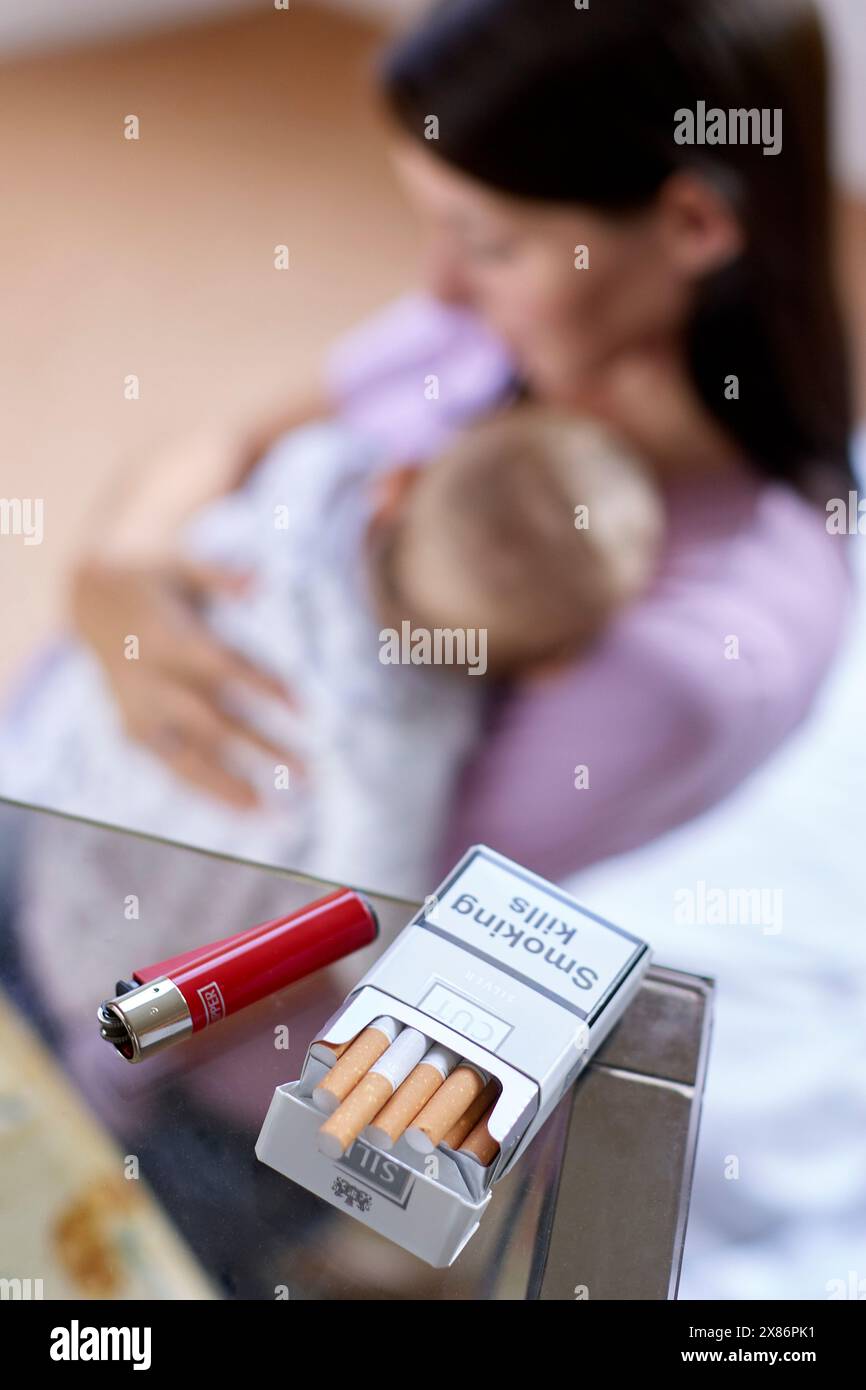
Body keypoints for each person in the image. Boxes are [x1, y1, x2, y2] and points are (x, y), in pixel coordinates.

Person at [67, 0, 855, 885]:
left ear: (694, 226)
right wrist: (114, 569)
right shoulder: (505, 332)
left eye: (486, 240)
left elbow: (357, 921)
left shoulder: (694, 657)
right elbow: (230, 442)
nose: (436, 286)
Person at [0, 406, 661, 900]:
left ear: (398, 482)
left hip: (45, 739)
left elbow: (262, 443)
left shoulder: (311, 475)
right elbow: (368, 902)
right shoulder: (398, 737)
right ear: (549, 667)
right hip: (112, 878)